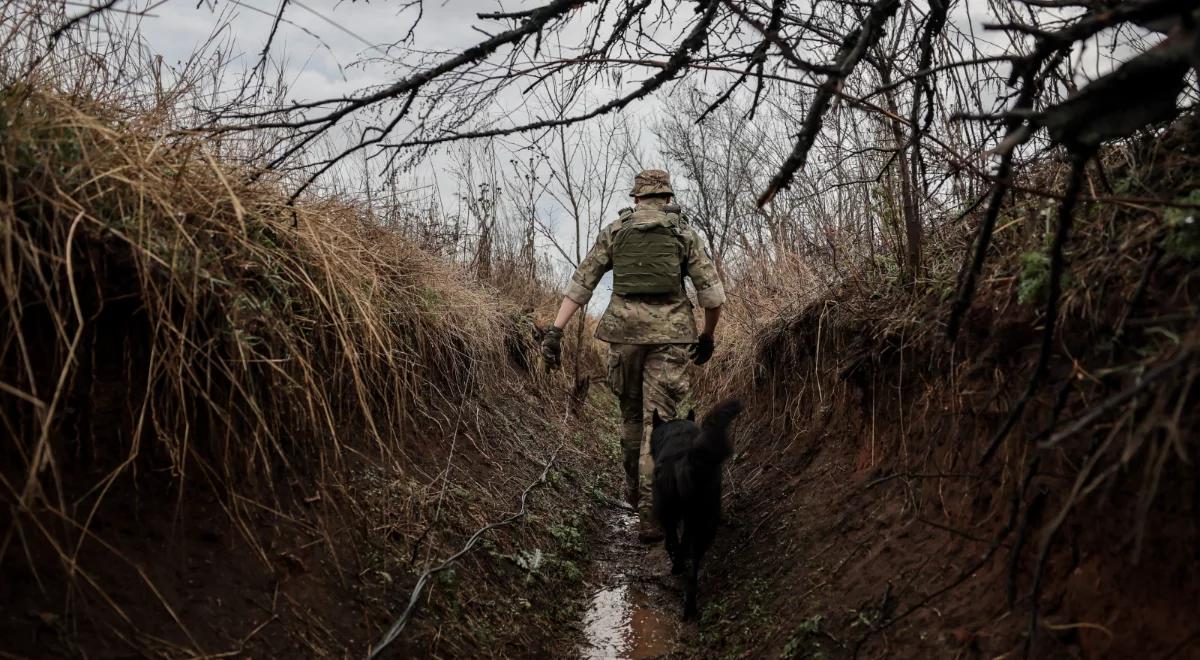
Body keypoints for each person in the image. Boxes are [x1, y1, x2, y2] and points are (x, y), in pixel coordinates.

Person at [540, 169, 725, 542]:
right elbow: (713, 296)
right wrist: (707, 336)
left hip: (623, 337)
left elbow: (582, 284)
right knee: (658, 425)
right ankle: (651, 514)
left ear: (637, 198)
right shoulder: (683, 233)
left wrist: (556, 331)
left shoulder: (615, 230)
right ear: (667, 197)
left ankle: (633, 491)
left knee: (630, 419)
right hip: (671, 338)